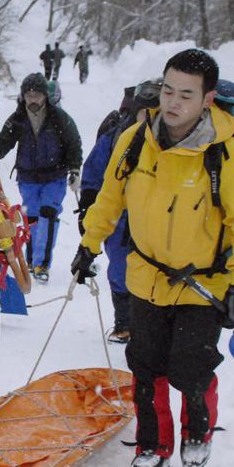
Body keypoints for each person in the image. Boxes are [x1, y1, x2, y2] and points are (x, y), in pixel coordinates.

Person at [71, 49, 234, 467]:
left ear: (207, 99)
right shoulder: (135, 141)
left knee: (189, 367)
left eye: (186, 94)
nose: (173, 102)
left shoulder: (225, 156)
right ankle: (152, 444)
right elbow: (109, 199)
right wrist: (88, 245)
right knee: (146, 366)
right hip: (147, 277)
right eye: (167, 90)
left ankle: (197, 432)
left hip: (204, 284)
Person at [77, 78, 161, 343]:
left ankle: (149, 327)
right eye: (143, 112)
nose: (147, 119)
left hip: (156, 219)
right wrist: (88, 208)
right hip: (119, 219)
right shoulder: (116, 136)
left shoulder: (170, 140)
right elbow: (94, 173)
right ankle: (124, 323)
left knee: (153, 274)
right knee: (120, 270)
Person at [0, 72, 82, 283]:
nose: (33, 99)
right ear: (23, 96)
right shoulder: (18, 118)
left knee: (48, 214)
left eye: (37, 95)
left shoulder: (59, 118)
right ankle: (31, 260)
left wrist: (74, 170)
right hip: (28, 177)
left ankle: (43, 263)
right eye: (29, 95)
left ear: (45, 97)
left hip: (54, 175)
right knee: (31, 217)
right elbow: (5, 140)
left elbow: (73, 144)